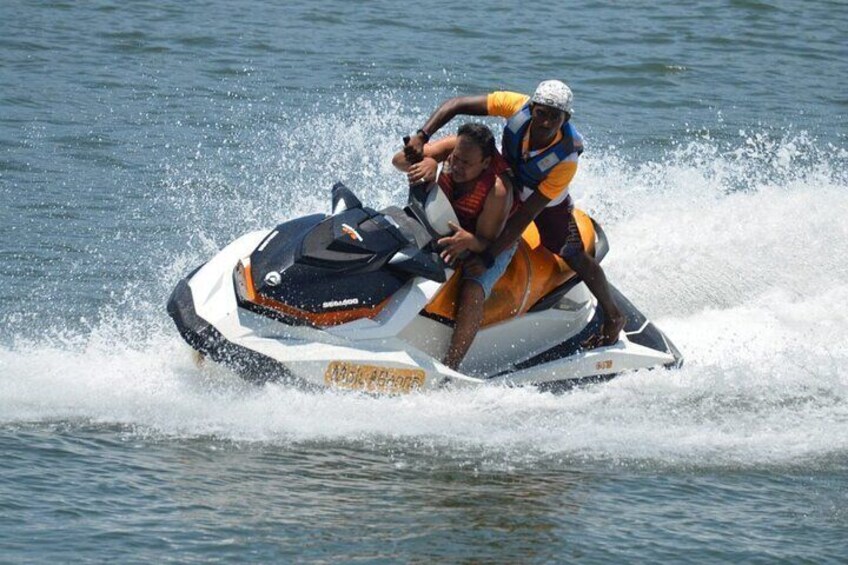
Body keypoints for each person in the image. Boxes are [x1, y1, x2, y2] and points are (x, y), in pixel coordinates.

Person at [404, 80, 625, 346]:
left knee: (570, 251)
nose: (545, 122)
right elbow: (457, 104)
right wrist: (422, 136)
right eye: (541, 112)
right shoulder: (515, 105)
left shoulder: (566, 159)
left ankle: (613, 315)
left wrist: (488, 255)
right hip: (505, 179)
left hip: (542, 200)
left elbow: (526, 215)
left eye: (554, 116)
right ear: (532, 108)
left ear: (565, 118)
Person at [393, 123, 516, 370]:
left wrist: (469, 241)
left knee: (472, 289)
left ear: (485, 163)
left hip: (490, 242)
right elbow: (397, 162)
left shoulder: (498, 190)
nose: (457, 167)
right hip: (444, 224)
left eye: (466, 163)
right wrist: (427, 161)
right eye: (455, 159)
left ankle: (451, 366)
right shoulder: (452, 149)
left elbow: (486, 242)